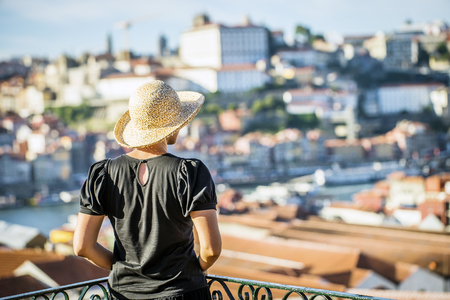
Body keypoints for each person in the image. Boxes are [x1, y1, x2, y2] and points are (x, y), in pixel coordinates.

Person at [73, 80, 222, 300]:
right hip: (182, 291)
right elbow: (211, 249)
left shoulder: (103, 174)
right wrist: (196, 268)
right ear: (173, 124)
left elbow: (82, 247)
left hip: (124, 294)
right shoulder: (190, 173)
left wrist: (122, 269)